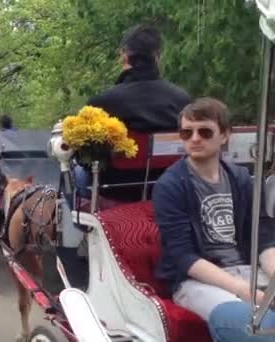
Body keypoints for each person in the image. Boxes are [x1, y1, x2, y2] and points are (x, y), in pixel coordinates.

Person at [153, 97, 275, 341]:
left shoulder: (243, 179)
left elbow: (262, 236)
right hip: (197, 281)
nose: (195, 138)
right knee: (257, 329)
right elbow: (183, 257)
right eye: (186, 132)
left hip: (249, 270)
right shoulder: (169, 186)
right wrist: (243, 290)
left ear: (224, 135)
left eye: (205, 131)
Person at [73, 24, 191, 199]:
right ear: (157, 56)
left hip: (114, 192)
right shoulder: (182, 100)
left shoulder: (101, 103)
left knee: (74, 172)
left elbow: (86, 160)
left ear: (124, 55)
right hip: (172, 188)